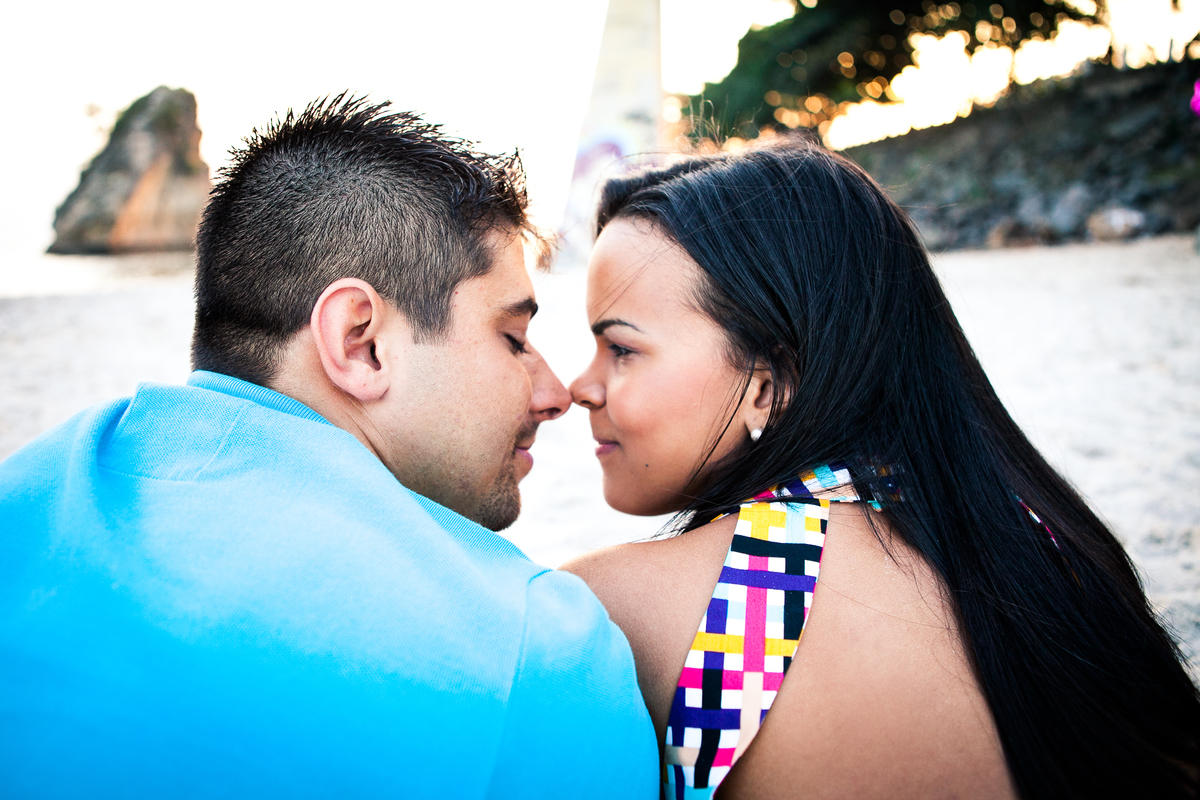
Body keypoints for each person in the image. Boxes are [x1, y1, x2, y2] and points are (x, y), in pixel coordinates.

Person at [0, 95, 657, 798]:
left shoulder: (24, 501)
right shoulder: (537, 655)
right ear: (360, 342)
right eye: (513, 339)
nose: (555, 392)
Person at [562, 143, 1200, 799]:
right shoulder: (1048, 548)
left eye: (620, 348)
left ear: (771, 383)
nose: (580, 386)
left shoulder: (609, 616)